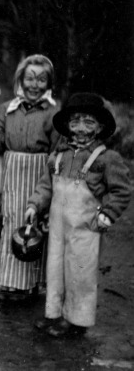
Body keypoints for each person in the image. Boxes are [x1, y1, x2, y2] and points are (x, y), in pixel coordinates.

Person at [25, 93, 132, 337]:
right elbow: (45, 186)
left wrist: (107, 214)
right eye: (75, 122)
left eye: (88, 122)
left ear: (100, 127)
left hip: (85, 229)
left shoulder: (106, 159)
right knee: (55, 269)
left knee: (80, 273)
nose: (81, 129)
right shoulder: (58, 156)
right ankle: (54, 313)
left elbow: (122, 190)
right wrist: (34, 205)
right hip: (57, 227)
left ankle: (77, 320)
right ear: (67, 126)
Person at [0, 54, 60, 301]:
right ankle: (10, 283)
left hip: (40, 170)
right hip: (12, 168)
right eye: (30, 78)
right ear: (20, 80)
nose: (35, 85)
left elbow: (58, 148)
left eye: (41, 79)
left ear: (49, 84)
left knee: (35, 223)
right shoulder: (5, 109)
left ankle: (33, 283)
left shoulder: (53, 113)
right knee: (12, 220)